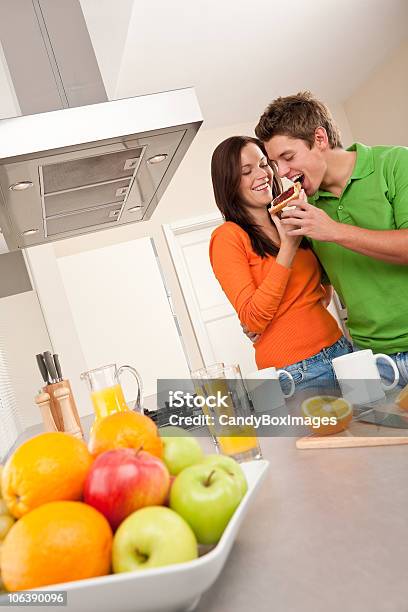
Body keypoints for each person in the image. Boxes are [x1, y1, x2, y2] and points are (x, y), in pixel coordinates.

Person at [254, 91, 408, 386]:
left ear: (320, 139)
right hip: (370, 359)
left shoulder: (396, 163)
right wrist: (272, 322)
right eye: (276, 163)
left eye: (288, 157)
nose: (283, 173)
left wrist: (334, 231)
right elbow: (319, 287)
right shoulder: (307, 208)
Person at [209, 135, 352, 392]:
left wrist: (306, 307)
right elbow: (253, 320)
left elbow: (322, 282)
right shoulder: (227, 237)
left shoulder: (291, 216)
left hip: (340, 349)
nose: (262, 173)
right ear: (228, 182)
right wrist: (287, 247)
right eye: (246, 171)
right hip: (297, 373)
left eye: (264, 164)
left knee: (377, 430)